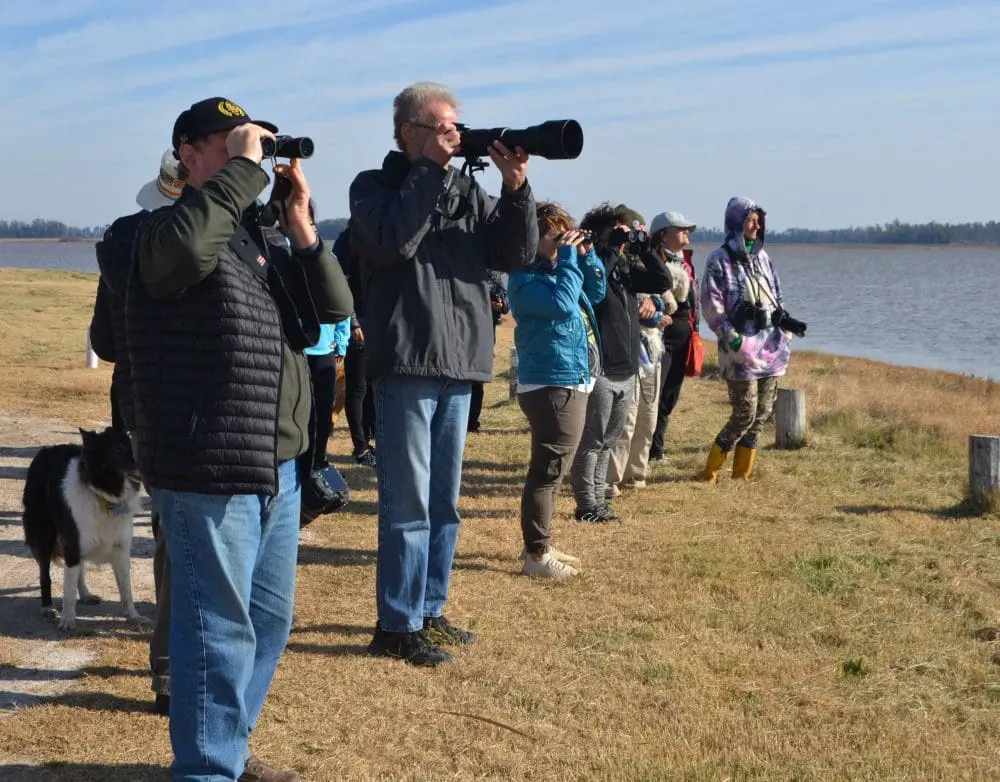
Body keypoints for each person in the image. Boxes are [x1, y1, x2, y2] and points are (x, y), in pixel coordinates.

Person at [126, 96, 353, 782]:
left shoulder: (258, 241)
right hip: (207, 465)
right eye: (230, 144)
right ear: (187, 153)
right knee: (215, 633)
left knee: (267, 622)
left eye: (251, 145)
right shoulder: (144, 232)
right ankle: (206, 769)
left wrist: (303, 228)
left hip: (277, 466)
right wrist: (245, 170)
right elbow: (184, 253)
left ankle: (228, 748)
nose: (248, 157)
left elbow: (334, 312)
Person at [349, 81, 537, 666]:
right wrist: (430, 172)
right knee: (407, 503)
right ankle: (397, 624)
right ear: (411, 133)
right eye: (443, 128)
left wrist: (515, 189)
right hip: (407, 360)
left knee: (443, 502)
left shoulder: (463, 187)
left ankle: (430, 609)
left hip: (460, 363)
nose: (456, 136)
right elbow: (392, 243)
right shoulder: (374, 187)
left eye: (458, 127)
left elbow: (515, 254)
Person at [88, 148, 182, 718]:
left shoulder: (125, 244)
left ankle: (169, 667)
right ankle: (177, 666)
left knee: (169, 528)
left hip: (139, 405)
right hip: (193, 408)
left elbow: (103, 343)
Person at [508, 202, 605, 577]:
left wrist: (587, 255)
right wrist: (568, 259)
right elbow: (564, 306)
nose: (564, 240)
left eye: (567, 231)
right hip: (550, 382)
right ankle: (537, 556)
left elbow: (594, 292)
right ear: (533, 239)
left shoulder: (561, 270)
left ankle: (539, 544)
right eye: (555, 234)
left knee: (553, 470)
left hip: (569, 377)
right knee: (547, 471)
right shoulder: (523, 279)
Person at [569, 203, 669, 522]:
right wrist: (610, 247)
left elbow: (661, 280)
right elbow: (595, 290)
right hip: (600, 370)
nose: (621, 240)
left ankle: (598, 502)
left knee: (609, 440)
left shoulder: (624, 271)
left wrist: (644, 249)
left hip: (627, 370)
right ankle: (587, 505)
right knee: (592, 441)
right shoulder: (587, 267)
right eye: (616, 233)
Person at [698, 196, 797, 482]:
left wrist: (786, 328)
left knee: (763, 412)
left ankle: (741, 475)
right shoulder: (720, 259)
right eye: (750, 221)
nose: (756, 226)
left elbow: (777, 296)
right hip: (739, 351)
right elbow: (711, 302)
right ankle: (711, 470)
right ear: (736, 223)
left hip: (770, 348)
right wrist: (731, 336)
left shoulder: (763, 258)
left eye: (759, 221)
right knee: (745, 412)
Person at [648, 211, 699, 462]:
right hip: (659, 332)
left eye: (687, 228)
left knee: (670, 393)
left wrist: (693, 328)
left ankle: (657, 447)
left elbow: (691, 300)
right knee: (654, 391)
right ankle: (648, 448)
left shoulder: (686, 261)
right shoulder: (650, 259)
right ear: (663, 235)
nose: (686, 232)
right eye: (680, 228)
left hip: (682, 333)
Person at [467, 270, 509, 433]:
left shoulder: (496, 274)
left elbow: (506, 300)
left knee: (477, 379)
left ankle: (471, 423)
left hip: (484, 333)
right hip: (463, 327)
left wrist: (501, 305)